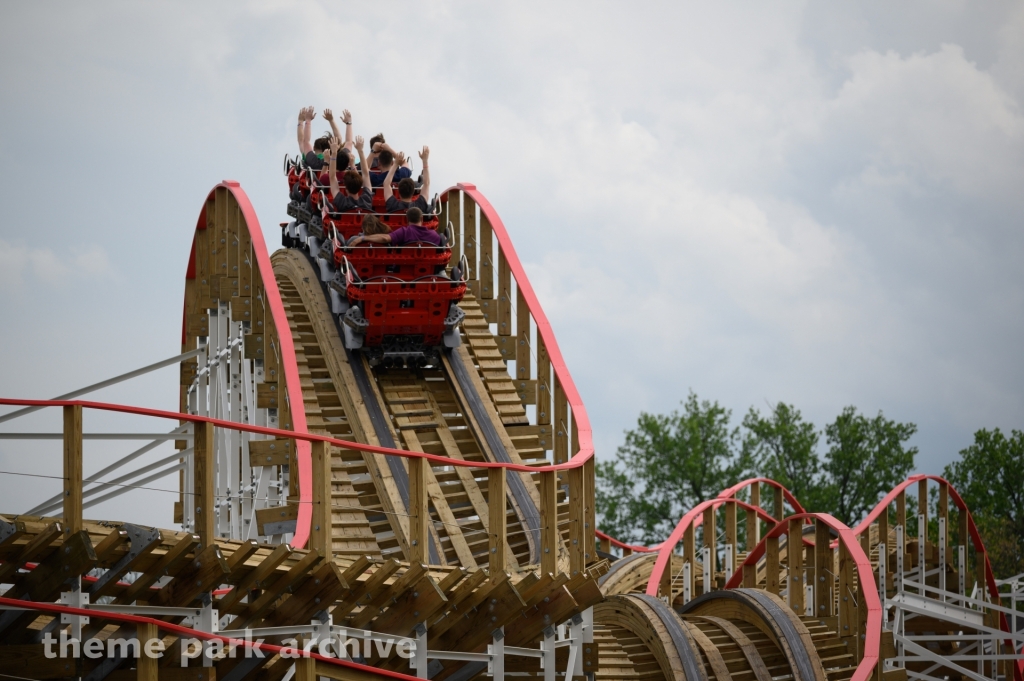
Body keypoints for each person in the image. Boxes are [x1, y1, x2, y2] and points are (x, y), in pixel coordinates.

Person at [348, 207, 442, 247]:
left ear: (406, 219)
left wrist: (363, 238)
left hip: (403, 272)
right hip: (430, 275)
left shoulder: (403, 232)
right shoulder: (435, 236)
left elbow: (385, 238)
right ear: (422, 219)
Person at [327, 136, 373, 212]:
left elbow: (332, 177)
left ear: (346, 189)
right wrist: (360, 150)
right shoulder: (367, 200)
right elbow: (366, 174)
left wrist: (334, 153)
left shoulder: (342, 202)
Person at [384, 146, 431, 213]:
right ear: (413, 193)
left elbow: (386, 184)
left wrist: (396, 164)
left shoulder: (392, 205)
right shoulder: (420, 205)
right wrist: (425, 161)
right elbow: (426, 184)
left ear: (399, 192)